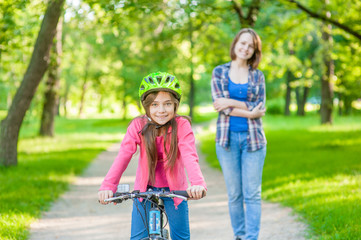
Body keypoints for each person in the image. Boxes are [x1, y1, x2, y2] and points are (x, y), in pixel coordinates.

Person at [98, 72, 207, 240]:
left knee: (181, 237)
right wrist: (108, 186)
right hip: (145, 189)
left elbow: (189, 156)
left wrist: (197, 184)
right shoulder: (138, 125)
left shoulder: (182, 125)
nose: (161, 110)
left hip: (176, 191)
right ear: (146, 106)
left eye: (167, 104)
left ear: (175, 105)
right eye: (155, 104)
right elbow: (123, 155)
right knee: (138, 238)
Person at [211, 28, 267, 240]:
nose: (245, 48)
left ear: (255, 51)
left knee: (252, 194)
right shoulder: (219, 72)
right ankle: (240, 236)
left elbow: (259, 105)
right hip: (227, 141)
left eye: (250, 46)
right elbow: (221, 106)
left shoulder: (257, 75)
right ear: (235, 44)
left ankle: (251, 238)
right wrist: (250, 113)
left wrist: (232, 101)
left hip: (254, 141)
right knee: (235, 195)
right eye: (242, 43)